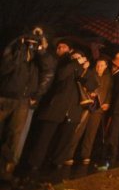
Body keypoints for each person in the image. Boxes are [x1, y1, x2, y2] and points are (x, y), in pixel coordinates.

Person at [26, 44, 97, 177]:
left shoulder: (86, 70)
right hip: (56, 106)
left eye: (80, 57)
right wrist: (75, 63)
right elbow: (60, 75)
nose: (78, 58)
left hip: (73, 109)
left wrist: (86, 71)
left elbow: (92, 85)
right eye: (75, 56)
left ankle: (57, 161)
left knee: (65, 138)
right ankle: (34, 162)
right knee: (44, 136)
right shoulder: (64, 64)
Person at [0, 28, 55, 180]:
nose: (32, 42)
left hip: (23, 100)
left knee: (14, 136)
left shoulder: (41, 56)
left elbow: (49, 70)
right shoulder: (14, 49)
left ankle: (5, 169)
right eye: (30, 38)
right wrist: (19, 46)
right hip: (4, 95)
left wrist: (41, 50)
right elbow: (4, 67)